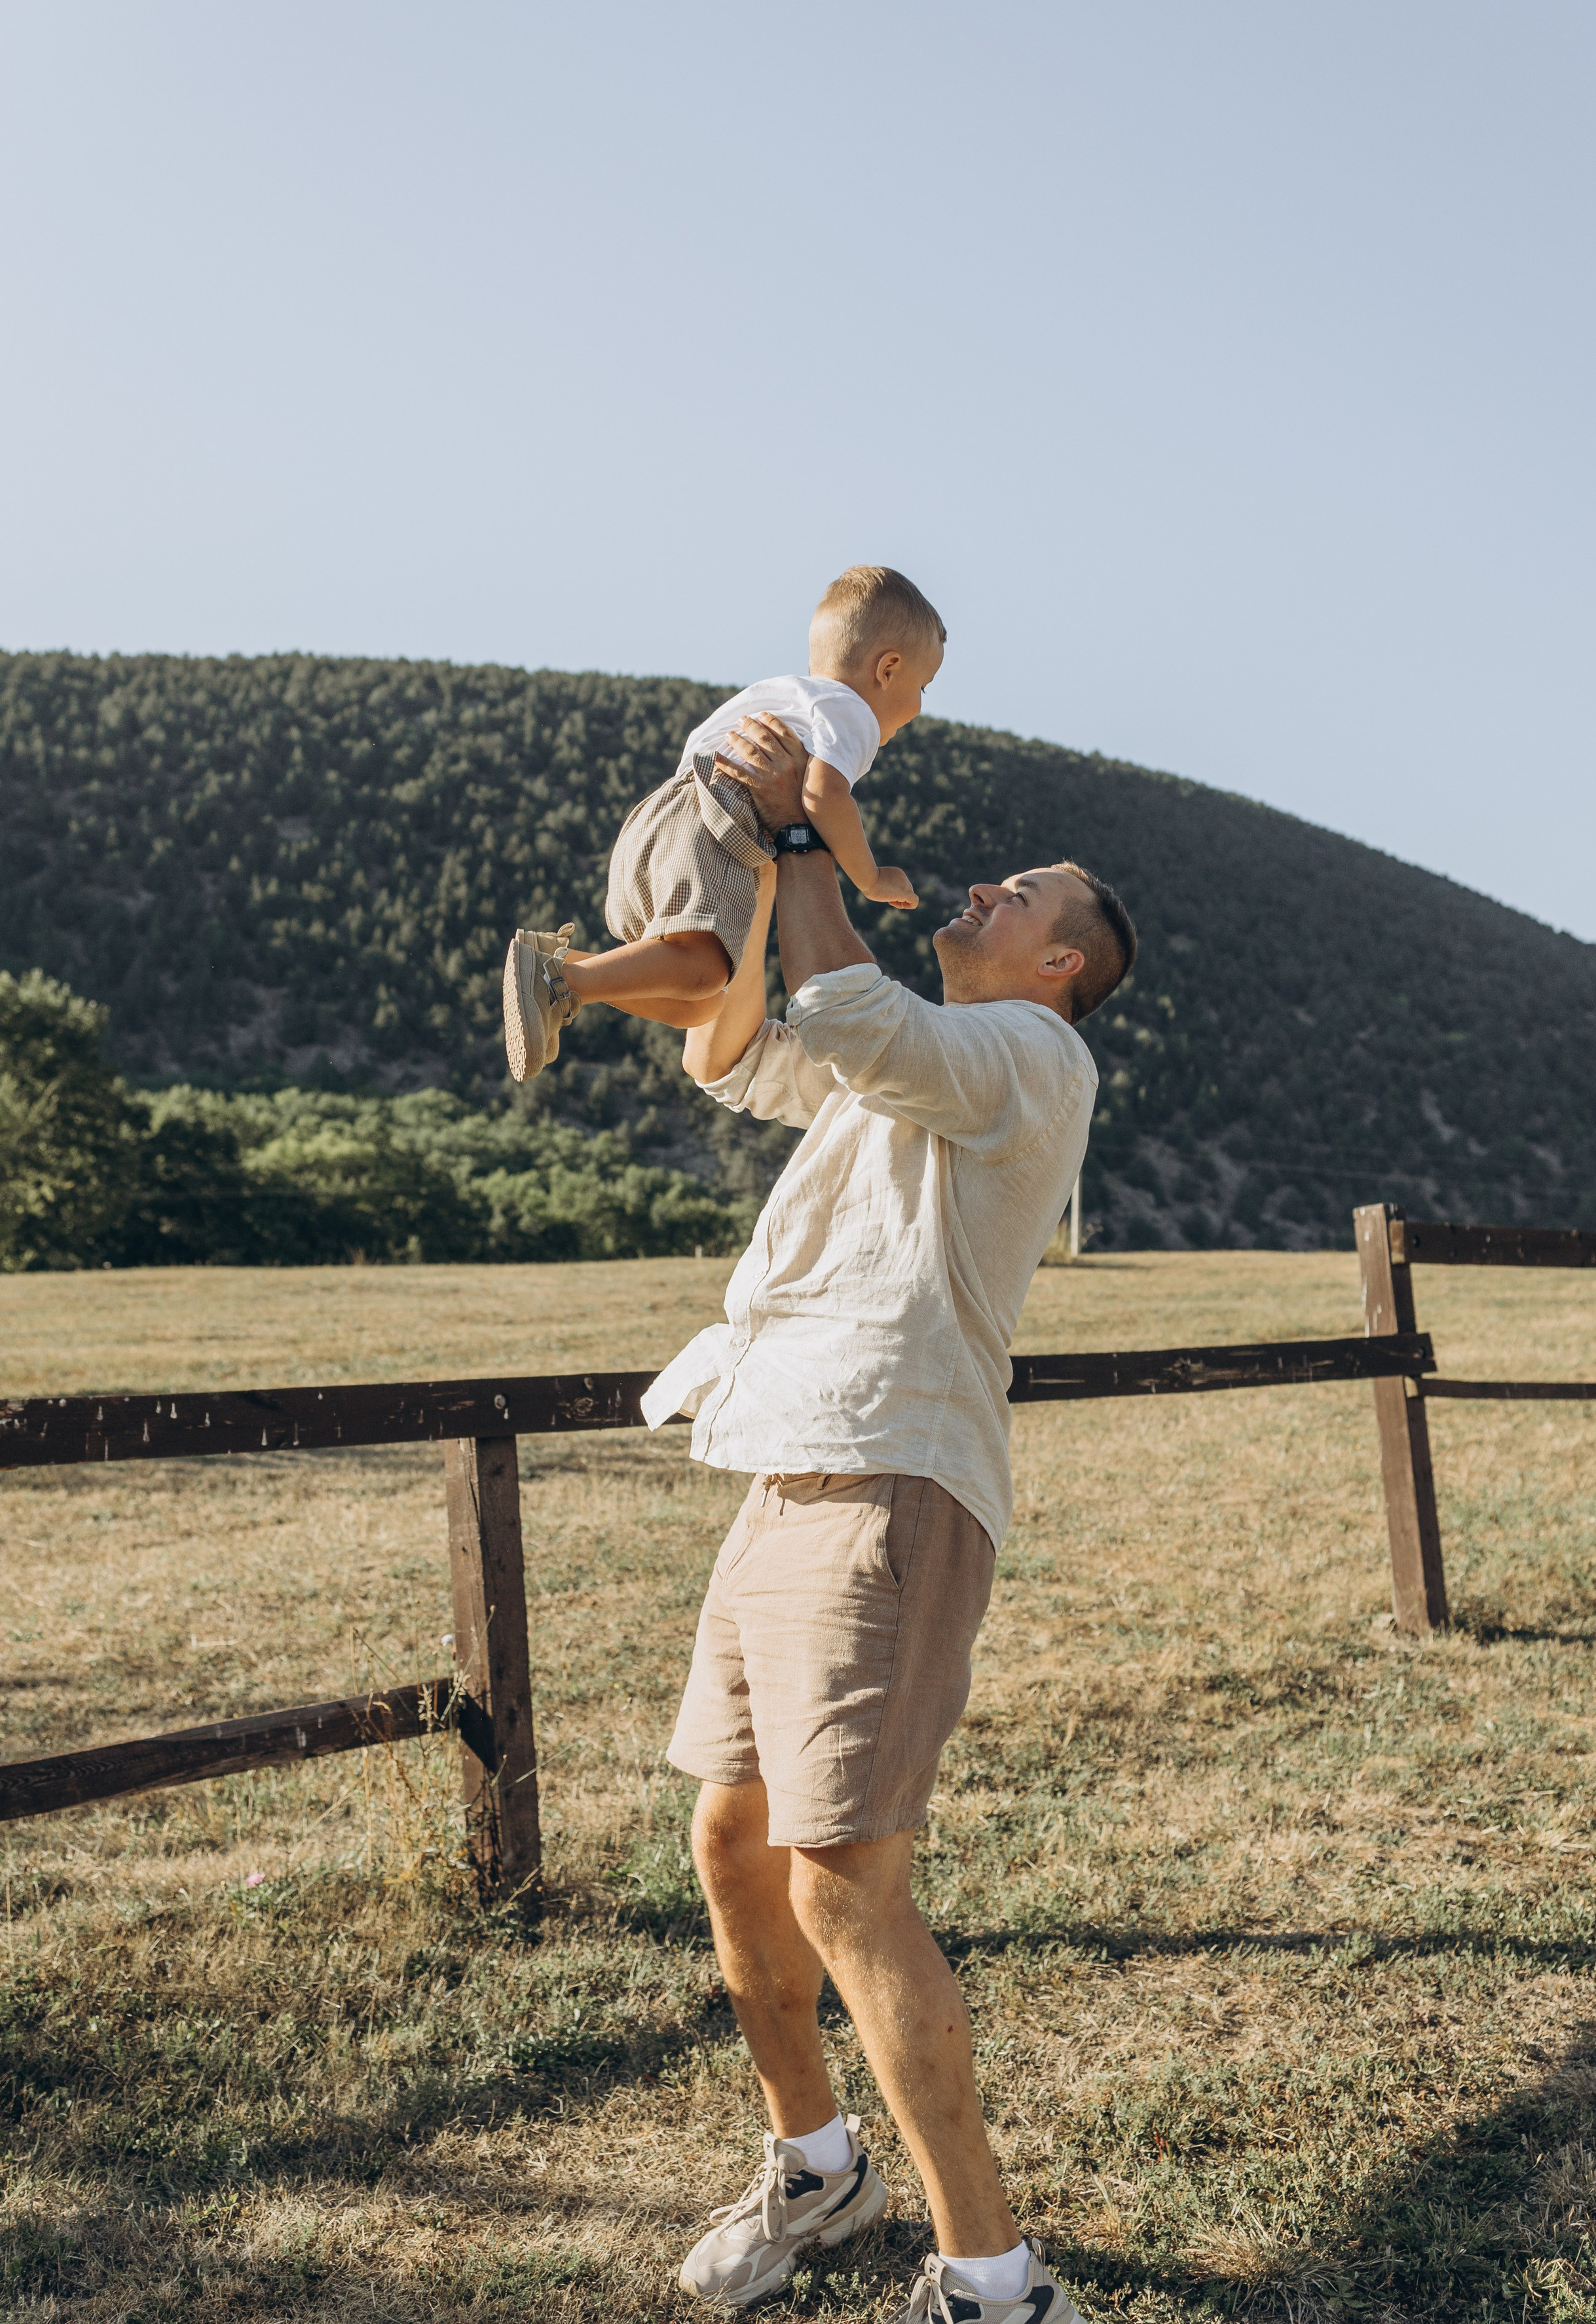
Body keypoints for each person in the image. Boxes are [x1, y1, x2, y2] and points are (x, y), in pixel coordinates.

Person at [640, 715, 1138, 2321]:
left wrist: (802, 839)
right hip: (782, 1464)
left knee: (844, 1885)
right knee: (730, 1844)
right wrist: (712, 872)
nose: (981, 885)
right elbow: (746, 1050)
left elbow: (844, 1005)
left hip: (886, 1482)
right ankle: (818, 2168)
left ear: (1059, 964)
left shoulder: (1027, 1060)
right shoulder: (918, 1063)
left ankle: (994, 2280)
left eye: (1018, 894)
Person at [500, 565, 944, 1081]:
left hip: (663, 819)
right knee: (704, 970)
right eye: (923, 686)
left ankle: (560, 966)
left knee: (701, 1002)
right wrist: (872, 877)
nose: (918, 707)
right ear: (887, 669)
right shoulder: (850, 712)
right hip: (716, 823)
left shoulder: (780, 694)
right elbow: (824, 794)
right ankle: (562, 981)